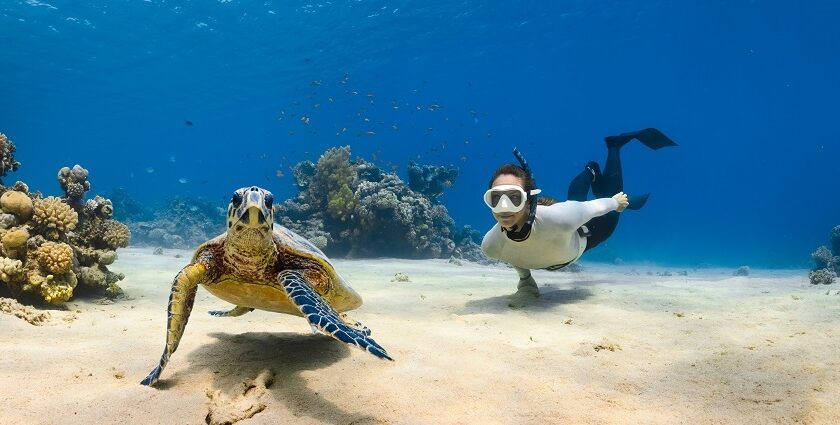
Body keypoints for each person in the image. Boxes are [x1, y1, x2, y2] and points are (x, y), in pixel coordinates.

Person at [480, 128, 677, 296]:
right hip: (565, 223)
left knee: (595, 203)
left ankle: (613, 147)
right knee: (573, 202)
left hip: (587, 232)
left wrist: (616, 202)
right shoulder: (491, 245)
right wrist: (525, 280)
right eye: (496, 198)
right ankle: (590, 171)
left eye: (514, 197)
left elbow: (593, 207)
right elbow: (511, 253)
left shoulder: (559, 219)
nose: (504, 207)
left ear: (529, 199)